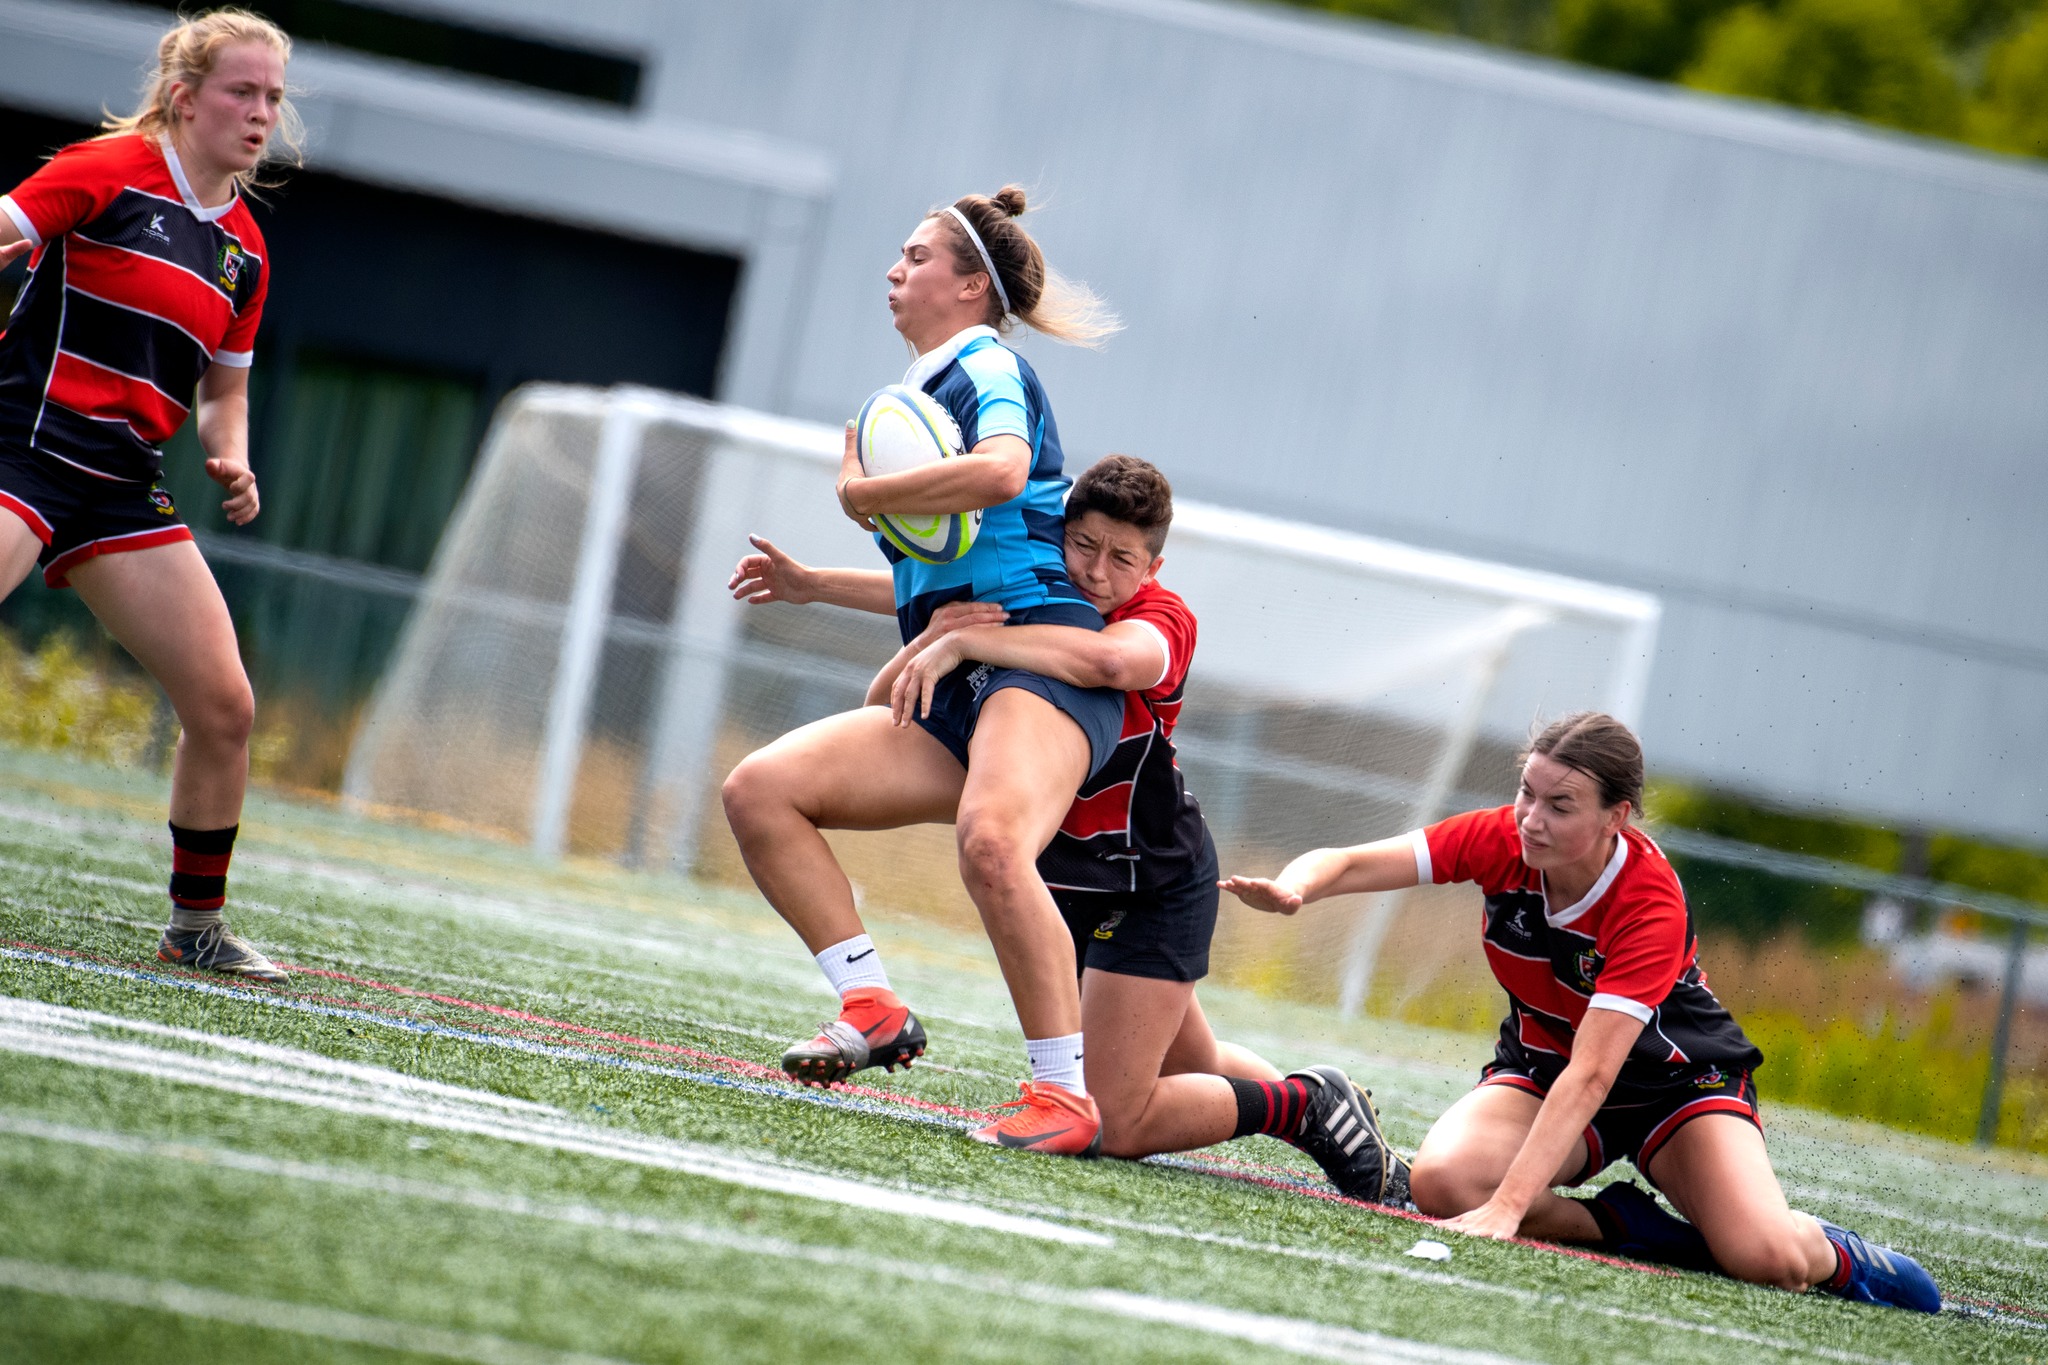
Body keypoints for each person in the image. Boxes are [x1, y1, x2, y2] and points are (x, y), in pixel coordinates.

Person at [732, 456, 1407, 1201]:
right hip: (1065, 884)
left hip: (1149, 883)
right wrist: (819, 588)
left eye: (1123, 558)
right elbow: (928, 618)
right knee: (1197, 1061)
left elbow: (1112, 659)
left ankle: (1308, 1102)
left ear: (1153, 563)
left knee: (1118, 1121)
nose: (1096, 571)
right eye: (1083, 545)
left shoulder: (1161, 617)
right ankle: (1323, 1112)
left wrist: (967, 642)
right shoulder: (1040, 588)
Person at [1221, 713, 1941, 1312]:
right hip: (1544, 1068)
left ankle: (1836, 1250)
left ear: (1615, 817)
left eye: (1559, 805)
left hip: (1672, 1084)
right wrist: (1294, 888)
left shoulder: (1647, 900)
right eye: (1526, 793)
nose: (1531, 818)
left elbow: (1597, 1072)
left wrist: (1509, 1207)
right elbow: (1348, 862)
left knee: (1767, 1257)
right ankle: (1632, 1226)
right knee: (1443, 1185)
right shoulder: (1502, 840)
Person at [720, 186, 1128, 1155]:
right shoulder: (915, 398)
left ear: (966, 285)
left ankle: (1061, 1097)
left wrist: (862, 491)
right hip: (958, 681)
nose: (893, 273)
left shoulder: (984, 362)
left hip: (1040, 667)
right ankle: (868, 1004)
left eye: (913, 257)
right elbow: (946, 578)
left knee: (989, 843)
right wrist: (814, 583)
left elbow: (999, 470)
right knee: (759, 792)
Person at [0, 10, 298, 982]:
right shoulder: (108, 168)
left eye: (272, 98)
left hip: (122, 486)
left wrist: (233, 456)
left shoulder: (244, 249)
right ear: (184, 97)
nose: (261, 115)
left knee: (223, 705)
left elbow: (225, 389)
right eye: (240, 93)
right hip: (25, 448)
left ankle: (195, 930)